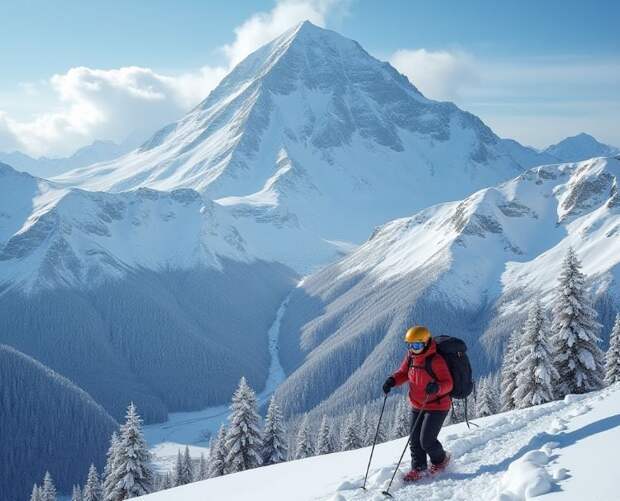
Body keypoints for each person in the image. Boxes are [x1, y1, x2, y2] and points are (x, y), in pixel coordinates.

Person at [383, 325, 453, 482]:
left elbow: (449, 384)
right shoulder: (411, 357)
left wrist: (437, 387)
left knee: (427, 440)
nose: (413, 349)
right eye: (410, 345)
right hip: (417, 404)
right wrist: (392, 381)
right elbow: (403, 373)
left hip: (437, 406)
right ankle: (419, 468)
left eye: (417, 345)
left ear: (426, 343)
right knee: (414, 441)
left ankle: (441, 460)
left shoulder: (436, 360)